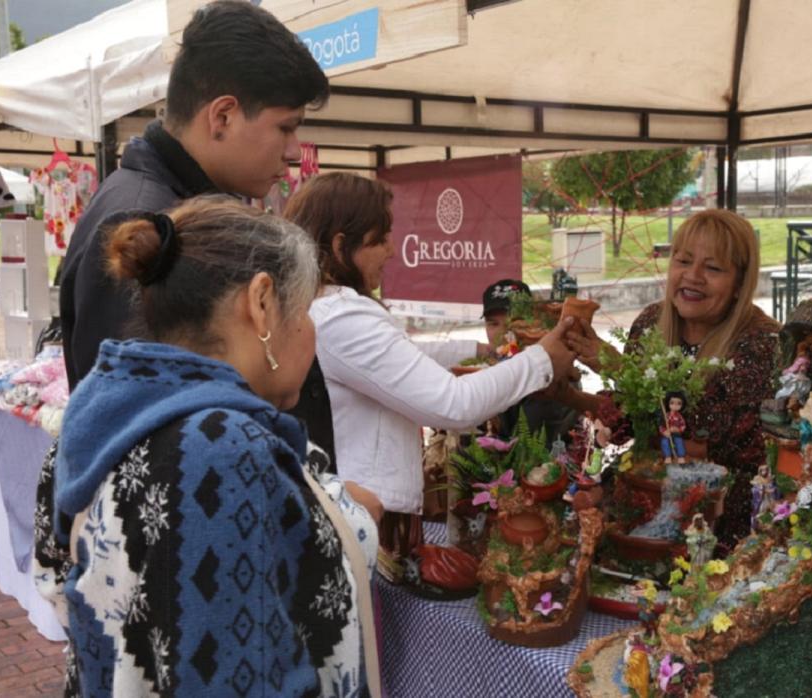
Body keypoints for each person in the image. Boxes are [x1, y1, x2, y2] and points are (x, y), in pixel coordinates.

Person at [33, 199, 382, 696]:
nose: (310, 332)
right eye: (303, 311)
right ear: (261, 303)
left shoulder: (106, 417)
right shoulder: (219, 448)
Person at [283, 172, 576, 560]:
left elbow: (400, 356)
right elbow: (453, 405)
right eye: (382, 237)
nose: (392, 250)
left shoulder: (322, 306)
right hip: (366, 513)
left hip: (357, 503)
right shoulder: (341, 315)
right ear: (341, 245)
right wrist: (541, 360)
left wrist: (481, 351)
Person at [58, 0, 330, 383]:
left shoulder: (184, 207)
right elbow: (133, 420)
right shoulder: (142, 220)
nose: (293, 151)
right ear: (222, 116)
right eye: (286, 127)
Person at [566, 209, 780, 550]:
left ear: (740, 282)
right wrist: (565, 395)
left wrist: (618, 367)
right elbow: (636, 422)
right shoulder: (652, 322)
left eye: (713, 268)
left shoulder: (762, 343)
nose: (692, 277)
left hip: (721, 524)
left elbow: (707, 441)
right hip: (646, 496)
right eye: (683, 261)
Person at [482, 279, 579, 443]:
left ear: (532, 323)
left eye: (512, 322)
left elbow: (530, 451)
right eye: (493, 324)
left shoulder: (547, 372)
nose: (503, 332)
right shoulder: (495, 364)